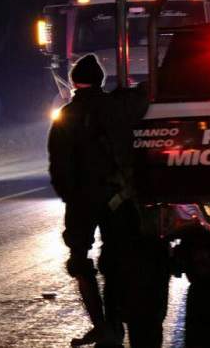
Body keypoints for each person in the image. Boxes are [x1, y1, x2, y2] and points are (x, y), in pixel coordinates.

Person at [48, 54, 155, 347]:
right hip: (117, 198)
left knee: (80, 263)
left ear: (73, 82)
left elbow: (58, 168)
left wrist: (73, 198)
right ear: (101, 80)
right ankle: (116, 321)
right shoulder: (118, 106)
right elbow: (146, 96)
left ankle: (102, 326)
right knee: (117, 260)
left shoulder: (65, 116)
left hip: (81, 201)